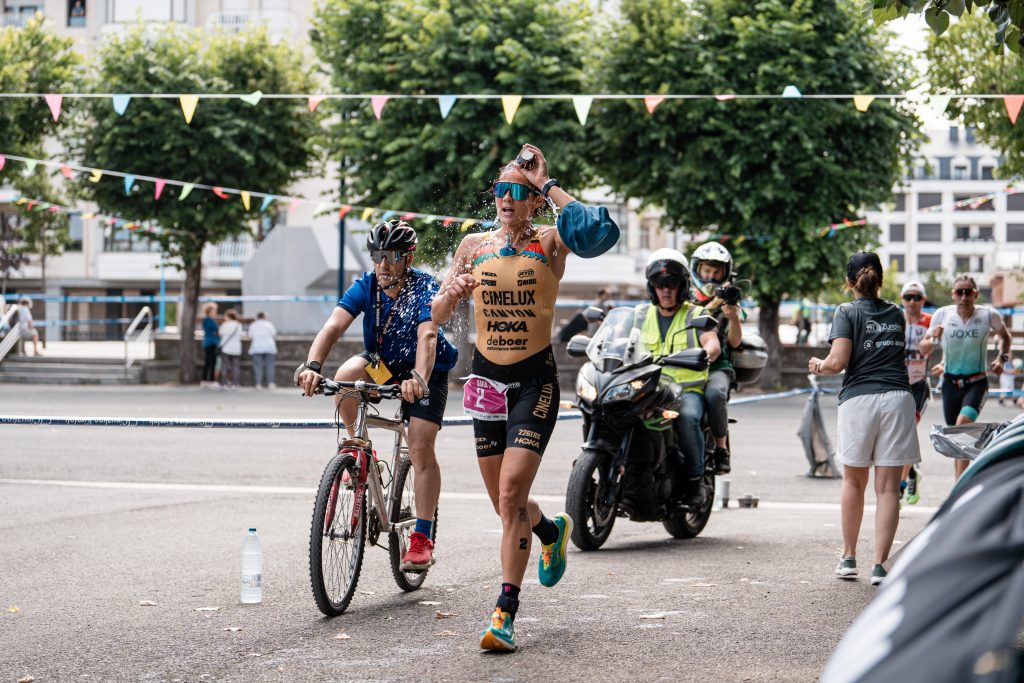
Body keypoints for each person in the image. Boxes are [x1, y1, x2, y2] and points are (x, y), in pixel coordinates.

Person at [431, 143, 619, 652]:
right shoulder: (474, 246)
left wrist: (546, 181)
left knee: (512, 492)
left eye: (519, 191)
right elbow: (438, 314)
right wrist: (450, 294)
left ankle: (504, 613)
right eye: (501, 189)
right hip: (487, 384)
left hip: (535, 384)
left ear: (534, 200)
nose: (507, 198)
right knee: (504, 505)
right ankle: (551, 533)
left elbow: (600, 231)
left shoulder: (553, 241)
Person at [297, 219, 458, 575]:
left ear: (408, 257)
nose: (384, 264)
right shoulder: (366, 286)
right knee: (344, 377)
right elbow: (333, 326)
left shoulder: (423, 288)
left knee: (419, 446)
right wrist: (311, 365)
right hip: (383, 363)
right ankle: (357, 445)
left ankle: (422, 538)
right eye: (377, 255)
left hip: (426, 370)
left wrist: (418, 378)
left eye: (393, 256)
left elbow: (428, 337)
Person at [808, 252, 920, 587]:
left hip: (860, 400)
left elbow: (838, 361)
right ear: (880, 280)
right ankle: (880, 566)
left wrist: (817, 364)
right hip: (899, 399)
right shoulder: (897, 313)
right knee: (888, 488)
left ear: (850, 281)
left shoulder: (845, 311)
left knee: (853, 482)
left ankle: (848, 556)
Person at [640, 249, 721, 503]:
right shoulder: (641, 315)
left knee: (687, 417)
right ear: (652, 287)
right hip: (648, 388)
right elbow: (619, 340)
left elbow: (713, 345)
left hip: (686, 390)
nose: (665, 290)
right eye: (659, 284)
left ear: (682, 286)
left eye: (671, 284)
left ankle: (696, 481)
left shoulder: (695, 314)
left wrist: (705, 353)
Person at [919, 275, 1012, 480]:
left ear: (976, 294)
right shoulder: (942, 315)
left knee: (962, 428)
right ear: (953, 295)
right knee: (958, 439)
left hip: (976, 383)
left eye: (968, 292)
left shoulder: (989, 315)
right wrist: (933, 337)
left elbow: (1006, 337)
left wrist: (1002, 359)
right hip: (950, 384)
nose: (963, 296)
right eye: (959, 292)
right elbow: (923, 347)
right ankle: (960, 481)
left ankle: (959, 488)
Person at [689, 241, 742, 474]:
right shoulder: (684, 298)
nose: (710, 277)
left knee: (715, 394)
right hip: (684, 362)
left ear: (725, 275)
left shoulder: (729, 302)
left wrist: (733, 317)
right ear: (697, 271)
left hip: (717, 366)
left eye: (716, 272)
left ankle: (721, 448)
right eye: (706, 271)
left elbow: (734, 342)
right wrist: (712, 304)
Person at [899, 280, 931, 505]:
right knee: (897, 435)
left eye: (916, 297)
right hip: (897, 384)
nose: (912, 301)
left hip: (919, 385)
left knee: (908, 430)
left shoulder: (930, 321)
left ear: (923, 300)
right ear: (902, 299)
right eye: (908, 297)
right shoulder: (895, 319)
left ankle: (900, 486)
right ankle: (911, 472)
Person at [248, 312, 278, 389]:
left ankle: (258, 384)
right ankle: (270, 383)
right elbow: (274, 335)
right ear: (264, 317)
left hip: (256, 347)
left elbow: (250, 337)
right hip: (269, 347)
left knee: (258, 367)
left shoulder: (253, 325)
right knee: (270, 366)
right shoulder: (269, 324)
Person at [218, 309, 243, 390]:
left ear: (228, 317)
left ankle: (224, 383)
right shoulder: (238, 325)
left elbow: (220, 334)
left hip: (226, 348)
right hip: (236, 348)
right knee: (235, 366)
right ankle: (235, 383)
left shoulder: (225, 325)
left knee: (224, 366)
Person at [200, 303, 220, 387]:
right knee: (211, 362)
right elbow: (215, 331)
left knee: (208, 362)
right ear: (210, 311)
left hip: (209, 343)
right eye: (214, 310)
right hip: (211, 343)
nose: (216, 312)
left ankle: (204, 380)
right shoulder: (209, 320)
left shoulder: (207, 320)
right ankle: (210, 380)